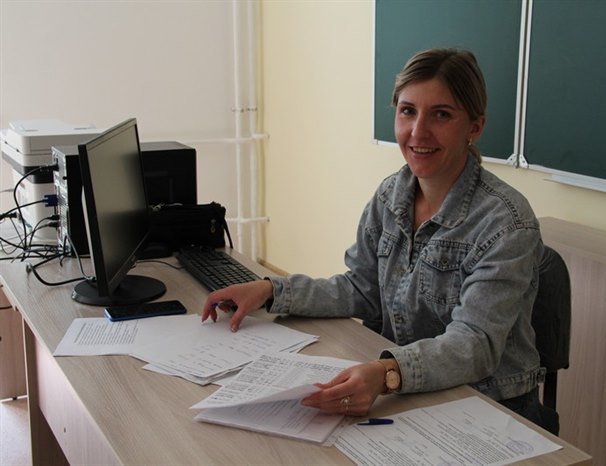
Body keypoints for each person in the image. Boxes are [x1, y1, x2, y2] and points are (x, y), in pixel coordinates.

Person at [202, 48, 558, 434]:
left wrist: (388, 373)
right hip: (407, 390)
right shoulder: (392, 195)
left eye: (441, 114)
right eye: (407, 111)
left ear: (475, 126)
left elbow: (474, 344)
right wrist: (272, 291)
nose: (418, 132)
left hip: (489, 406)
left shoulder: (506, 223)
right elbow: (361, 289)